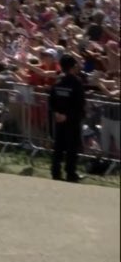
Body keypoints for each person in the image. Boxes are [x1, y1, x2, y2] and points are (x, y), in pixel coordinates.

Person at [50, 54, 86, 182]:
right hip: (72, 120)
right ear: (73, 66)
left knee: (58, 145)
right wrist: (68, 115)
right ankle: (71, 173)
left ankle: (55, 171)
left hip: (59, 119)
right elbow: (79, 103)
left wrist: (56, 113)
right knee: (72, 147)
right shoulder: (76, 82)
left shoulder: (58, 81)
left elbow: (51, 100)